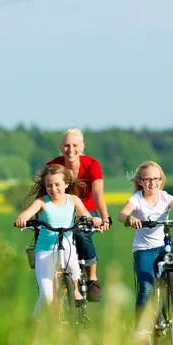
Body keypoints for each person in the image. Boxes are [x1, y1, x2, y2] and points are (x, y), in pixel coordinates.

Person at [117, 160, 173, 324]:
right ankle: (140, 328)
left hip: (164, 247)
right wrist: (130, 218)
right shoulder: (137, 199)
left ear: (161, 180)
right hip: (143, 250)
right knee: (146, 287)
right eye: (147, 179)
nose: (152, 182)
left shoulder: (166, 197)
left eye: (156, 179)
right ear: (140, 182)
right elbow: (122, 215)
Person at [14, 164, 102, 319]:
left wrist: (93, 219)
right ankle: (35, 324)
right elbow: (26, 214)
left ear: (66, 184)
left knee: (74, 266)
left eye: (57, 184)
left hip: (66, 243)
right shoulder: (42, 202)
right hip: (45, 250)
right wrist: (22, 219)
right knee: (46, 297)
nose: (53, 189)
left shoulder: (73, 200)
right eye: (49, 185)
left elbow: (86, 216)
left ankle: (75, 289)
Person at [45, 128, 110, 302]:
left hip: (88, 211)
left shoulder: (92, 165)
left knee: (81, 233)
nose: (70, 149)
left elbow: (98, 195)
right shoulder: (53, 165)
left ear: (82, 146)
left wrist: (105, 218)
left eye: (75, 145)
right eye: (66, 145)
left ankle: (92, 278)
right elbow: (43, 192)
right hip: (61, 210)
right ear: (61, 147)